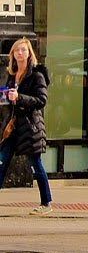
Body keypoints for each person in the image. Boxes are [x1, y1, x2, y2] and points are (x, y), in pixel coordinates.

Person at [1, 38, 54, 214]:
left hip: (30, 126)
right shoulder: (12, 74)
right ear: (13, 55)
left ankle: (46, 203)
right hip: (13, 125)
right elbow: (11, 99)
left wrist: (20, 97)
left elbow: (42, 100)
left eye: (23, 50)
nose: (20, 54)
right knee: (2, 161)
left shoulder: (36, 76)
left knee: (35, 164)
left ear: (29, 53)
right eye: (17, 51)